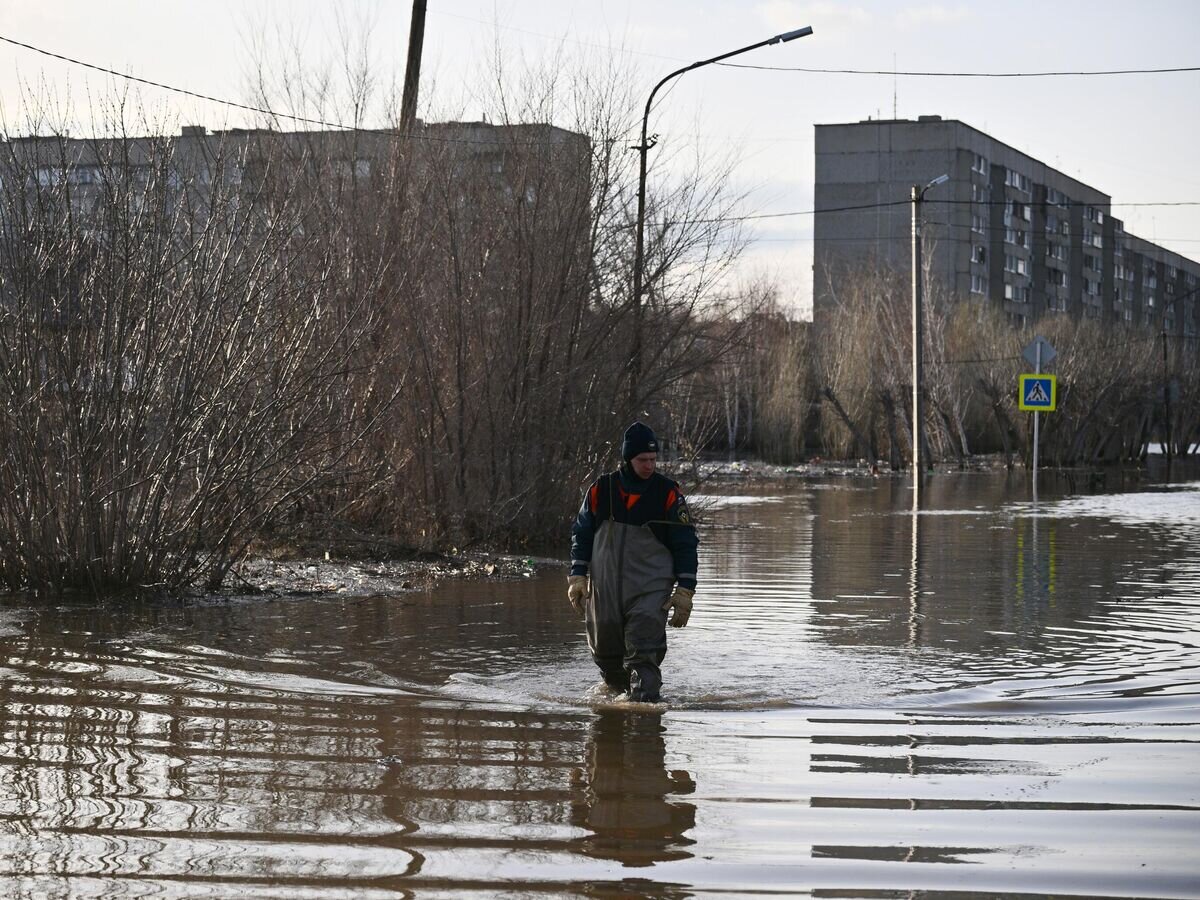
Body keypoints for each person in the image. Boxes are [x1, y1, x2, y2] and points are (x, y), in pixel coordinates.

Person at [568, 421, 699, 702]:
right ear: (628, 458)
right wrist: (577, 576)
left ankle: (646, 715)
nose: (650, 465)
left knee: (644, 656)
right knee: (606, 657)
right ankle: (615, 714)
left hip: (649, 590)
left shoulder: (667, 493)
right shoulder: (601, 489)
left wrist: (685, 590)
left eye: (653, 459)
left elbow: (686, 543)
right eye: (643, 460)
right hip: (605, 589)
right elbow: (582, 533)